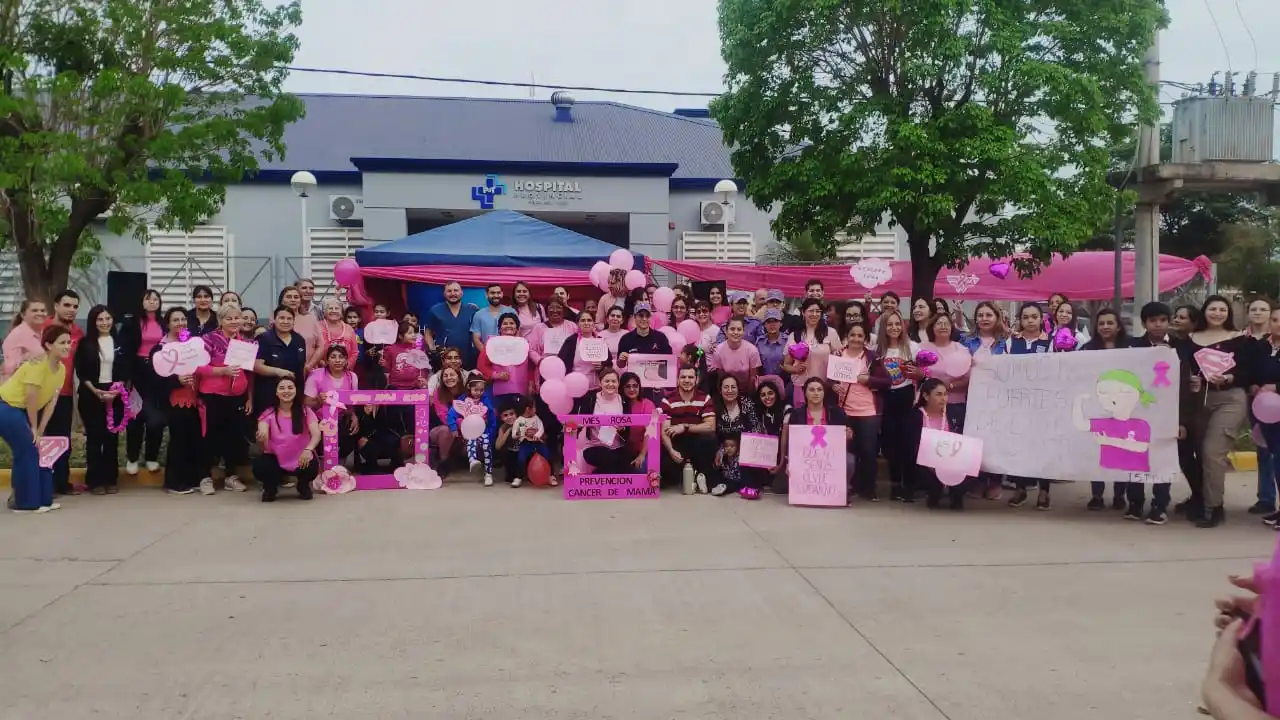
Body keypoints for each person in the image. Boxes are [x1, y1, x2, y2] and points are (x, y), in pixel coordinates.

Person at [1183, 295, 1253, 528]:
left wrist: (1231, 377)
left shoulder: (1240, 339)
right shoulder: (1191, 339)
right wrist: (1191, 380)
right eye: (1213, 308)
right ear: (1205, 311)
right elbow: (1186, 369)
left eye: (1223, 309)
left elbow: (1249, 372)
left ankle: (1213, 508)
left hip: (1230, 399)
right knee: (1200, 453)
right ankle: (1201, 499)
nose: (1217, 313)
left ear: (1228, 313)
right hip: (1200, 400)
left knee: (1213, 452)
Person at [1128, 301, 1188, 525]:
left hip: (1168, 413)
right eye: (1153, 321)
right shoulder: (1132, 346)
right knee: (1135, 457)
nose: (1158, 325)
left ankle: (1159, 505)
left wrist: (1182, 420)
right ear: (1145, 323)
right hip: (1138, 411)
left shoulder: (1181, 347)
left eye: (1162, 320)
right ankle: (1134, 502)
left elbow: (1184, 387)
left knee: (1162, 458)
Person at [2, 325, 71, 512]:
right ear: (49, 345)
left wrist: (41, 430)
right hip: (7, 407)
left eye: (68, 342)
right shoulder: (37, 365)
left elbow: (51, 402)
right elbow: (31, 398)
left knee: (35, 450)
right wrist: (33, 428)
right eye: (62, 343)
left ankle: (41, 499)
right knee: (28, 451)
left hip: (22, 410)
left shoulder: (61, 369)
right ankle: (25, 504)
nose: (67, 346)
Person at [194, 305, 253, 495]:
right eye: (230, 319)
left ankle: (231, 476)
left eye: (237, 318)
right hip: (213, 396)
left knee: (234, 438)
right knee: (209, 437)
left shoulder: (245, 342)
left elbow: (249, 374)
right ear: (220, 320)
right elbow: (198, 367)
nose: (235, 322)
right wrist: (222, 371)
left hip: (236, 397)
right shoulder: (208, 340)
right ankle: (205, 477)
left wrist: (249, 397)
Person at [75, 305, 130, 495]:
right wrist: (96, 391)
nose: (104, 323)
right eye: (100, 319)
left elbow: (125, 369)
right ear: (93, 322)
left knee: (111, 439)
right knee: (94, 438)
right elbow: (81, 372)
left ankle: (110, 478)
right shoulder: (85, 343)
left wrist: (115, 390)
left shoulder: (119, 341)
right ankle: (94, 481)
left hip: (114, 392)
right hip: (92, 393)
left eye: (107, 319)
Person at [1006, 303, 1054, 510]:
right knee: (1018, 445)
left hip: (1043, 403)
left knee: (1043, 446)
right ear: (1020, 320)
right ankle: (1020, 488)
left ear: (1041, 319)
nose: (1030, 321)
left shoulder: (1051, 343)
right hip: (1017, 402)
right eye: (1026, 317)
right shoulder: (1011, 342)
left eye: (1034, 316)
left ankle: (1044, 490)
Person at [151, 308, 204, 494]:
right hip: (174, 399)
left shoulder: (192, 345)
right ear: (168, 324)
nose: (180, 323)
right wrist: (176, 380)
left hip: (194, 398)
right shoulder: (161, 348)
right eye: (175, 320)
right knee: (178, 441)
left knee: (192, 439)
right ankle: (174, 482)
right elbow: (155, 378)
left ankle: (191, 479)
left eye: (183, 319)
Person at [833, 324, 887, 501]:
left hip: (868, 411)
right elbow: (828, 380)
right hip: (844, 410)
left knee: (869, 451)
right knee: (848, 450)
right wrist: (832, 385)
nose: (856, 339)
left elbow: (887, 381)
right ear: (846, 337)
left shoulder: (872, 357)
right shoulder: (838, 355)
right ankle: (850, 486)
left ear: (865, 339)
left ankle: (869, 489)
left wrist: (868, 379)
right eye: (852, 335)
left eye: (860, 335)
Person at [783, 377, 856, 502]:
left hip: (830, 455)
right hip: (806, 455)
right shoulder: (797, 414)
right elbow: (793, 441)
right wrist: (790, 461)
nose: (816, 393)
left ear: (824, 393)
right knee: (780, 487)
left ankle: (842, 490)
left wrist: (849, 435)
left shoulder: (836, 412)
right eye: (811, 390)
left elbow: (846, 435)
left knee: (849, 460)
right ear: (805, 393)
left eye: (819, 389)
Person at [874, 310, 922, 501]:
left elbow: (923, 373)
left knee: (909, 445)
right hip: (887, 398)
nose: (894, 328)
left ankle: (909, 485)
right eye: (890, 324)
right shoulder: (877, 349)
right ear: (884, 328)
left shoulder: (913, 347)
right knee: (890, 444)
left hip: (907, 396)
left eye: (897, 324)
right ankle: (895, 484)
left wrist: (919, 373)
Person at [253, 377, 320, 502]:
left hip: (301, 457)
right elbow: (263, 436)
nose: (286, 391)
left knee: (311, 465)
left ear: (296, 390)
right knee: (261, 465)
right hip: (275, 458)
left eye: (290, 387)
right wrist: (261, 439)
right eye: (282, 388)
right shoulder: (268, 413)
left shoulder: (305, 411)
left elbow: (316, 434)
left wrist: (309, 449)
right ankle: (270, 487)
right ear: (276, 392)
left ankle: (303, 485)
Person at [43, 289, 83, 496]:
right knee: (42, 439)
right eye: (67, 305)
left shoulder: (77, 332)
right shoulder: (43, 328)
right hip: (42, 394)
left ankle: (61, 482)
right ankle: (42, 483)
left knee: (62, 440)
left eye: (75, 306)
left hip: (65, 393)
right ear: (56, 305)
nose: (71, 310)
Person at [908, 378, 965, 510]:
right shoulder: (916, 416)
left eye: (945, 394)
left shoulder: (953, 414)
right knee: (931, 481)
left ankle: (956, 495)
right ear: (926, 396)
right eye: (938, 395)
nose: (943, 398)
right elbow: (912, 444)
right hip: (926, 461)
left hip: (951, 458)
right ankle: (933, 492)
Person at [660, 365, 718, 492]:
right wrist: (671, 451)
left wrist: (684, 427)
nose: (687, 380)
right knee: (668, 475)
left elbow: (710, 426)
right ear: (677, 380)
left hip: (697, 443)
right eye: (683, 377)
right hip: (677, 445)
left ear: (696, 380)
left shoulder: (705, 398)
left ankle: (701, 475)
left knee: (709, 439)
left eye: (691, 377)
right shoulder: (668, 400)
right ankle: (687, 477)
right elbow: (664, 430)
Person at [573, 367, 641, 475]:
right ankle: (594, 480)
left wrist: (622, 428)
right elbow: (580, 421)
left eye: (614, 381)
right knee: (611, 461)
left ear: (618, 384)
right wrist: (572, 427)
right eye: (607, 381)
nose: (610, 384)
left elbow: (626, 428)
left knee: (628, 469)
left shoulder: (623, 401)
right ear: (600, 383)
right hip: (594, 446)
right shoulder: (590, 399)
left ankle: (598, 477)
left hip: (617, 446)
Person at [1246, 299, 1277, 516]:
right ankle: (1266, 499)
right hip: (1260, 406)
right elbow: (1248, 370)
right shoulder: (1260, 347)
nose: (1278, 324)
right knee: (1265, 451)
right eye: (1276, 320)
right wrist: (1252, 385)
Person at [710, 374, 764, 497]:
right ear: (720, 390)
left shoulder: (746, 403)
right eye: (726, 387)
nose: (730, 391)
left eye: (733, 387)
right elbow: (712, 431)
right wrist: (721, 449)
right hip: (723, 449)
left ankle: (740, 486)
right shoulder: (714, 405)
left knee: (745, 460)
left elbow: (756, 428)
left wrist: (742, 448)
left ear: (738, 389)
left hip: (745, 448)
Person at [782, 298, 843, 406]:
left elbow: (839, 360)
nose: (814, 314)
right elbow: (786, 364)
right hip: (801, 386)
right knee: (802, 419)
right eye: (811, 311)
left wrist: (834, 382)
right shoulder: (794, 336)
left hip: (825, 387)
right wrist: (795, 369)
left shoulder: (830, 333)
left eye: (818, 311)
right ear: (803, 312)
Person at [305, 345, 359, 466]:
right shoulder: (316, 375)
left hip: (341, 417)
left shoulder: (352, 377)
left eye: (341, 357)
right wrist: (318, 400)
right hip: (318, 419)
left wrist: (354, 416)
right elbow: (307, 402)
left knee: (352, 431)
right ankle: (321, 463)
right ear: (327, 360)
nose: (338, 360)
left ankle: (341, 464)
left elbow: (352, 402)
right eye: (333, 357)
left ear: (346, 360)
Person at [254, 306, 309, 419]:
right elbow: (257, 366)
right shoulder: (264, 338)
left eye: (289, 319)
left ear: (293, 321)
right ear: (274, 320)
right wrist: (279, 372)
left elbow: (302, 368)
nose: (285, 321)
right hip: (268, 394)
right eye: (282, 318)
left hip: (293, 395)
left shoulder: (299, 340)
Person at [449, 376, 497, 486]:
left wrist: (490, 433)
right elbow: (451, 414)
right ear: (469, 388)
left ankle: (488, 474)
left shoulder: (486, 401)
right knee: (471, 440)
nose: (478, 393)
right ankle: (472, 460)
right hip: (468, 431)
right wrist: (453, 428)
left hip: (483, 431)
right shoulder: (462, 400)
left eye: (481, 390)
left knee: (486, 446)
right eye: (476, 390)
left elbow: (492, 419)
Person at [478, 313, 534, 402]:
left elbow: (530, 366)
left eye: (511, 323)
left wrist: (531, 383)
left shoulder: (524, 344)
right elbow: (482, 365)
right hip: (499, 391)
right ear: (499, 328)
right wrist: (496, 375)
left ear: (517, 328)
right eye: (505, 323)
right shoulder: (492, 344)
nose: (508, 326)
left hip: (521, 390)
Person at [423, 281, 477, 366]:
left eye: (456, 290)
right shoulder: (435, 310)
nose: (453, 293)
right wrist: (432, 350)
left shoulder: (472, 310)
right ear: (444, 294)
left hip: (468, 357)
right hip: (444, 358)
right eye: (449, 291)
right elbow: (428, 332)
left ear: (461, 293)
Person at [557, 309, 611, 393]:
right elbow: (561, 363)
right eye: (583, 320)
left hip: (596, 388)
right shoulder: (571, 341)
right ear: (578, 323)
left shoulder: (600, 341)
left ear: (593, 323)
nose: (586, 323)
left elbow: (609, 362)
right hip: (575, 388)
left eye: (589, 320)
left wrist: (601, 365)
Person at [504, 396, 550, 488]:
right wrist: (519, 433)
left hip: (537, 442)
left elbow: (541, 428)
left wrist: (537, 435)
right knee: (521, 459)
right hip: (525, 443)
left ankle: (551, 476)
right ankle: (518, 477)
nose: (535, 409)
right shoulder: (519, 421)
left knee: (547, 455)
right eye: (534, 407)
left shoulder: (536, 418)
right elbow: (514, 435)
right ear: (527, 409)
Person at [708, 317, 762, 391]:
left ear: (743, 332)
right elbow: (720, 378)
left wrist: (748, 395)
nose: (736, 332)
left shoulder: (752, 350)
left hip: (746, 391)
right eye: (732, 329)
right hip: (727, 391)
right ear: (726, 332)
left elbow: (753, 379)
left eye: (739, 329)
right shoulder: (718, 350)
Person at [754, 378, 789, 493]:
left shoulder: (787, 409)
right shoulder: (763, 413)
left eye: (770, 393)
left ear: (776, 393)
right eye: (763, 395)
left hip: (787, 455)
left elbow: (785, 440)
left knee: (777, 488)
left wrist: (780, 464)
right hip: (772, 455)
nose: (767, 397)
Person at [429, 366, 465, 473]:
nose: (449, 378)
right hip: (439, 430)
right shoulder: (438, 393)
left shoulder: (466, 392)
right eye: (445, 375)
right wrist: (463, 423)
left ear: (458, 377)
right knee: (446, 429)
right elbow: (444, 417)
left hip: (463, 430)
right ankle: (443, 462)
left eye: (452, 375)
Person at [616, 302, 673, 370]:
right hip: (634, 378)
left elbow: (670, 361)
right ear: (634, 317)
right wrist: (621, 359)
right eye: (641, 315)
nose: (644, 319)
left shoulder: (661, 338)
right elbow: (620, 365)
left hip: (656, 378)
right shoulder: (626, 339)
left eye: (647, 316)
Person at [307, 297, 358, 372]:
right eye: (330, 308)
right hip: (322, 370)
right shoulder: (316, 327)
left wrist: (346, 365)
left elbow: (355, 352)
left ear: (341, 312)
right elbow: (311, 349)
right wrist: (322, 364)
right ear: (324, 312)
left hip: (345, 371)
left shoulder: (349, 328)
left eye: (337, 308)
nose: (334, 311)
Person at [2, 299, 48, 380]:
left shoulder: (44, 332)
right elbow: (8, 368)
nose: (40, 313)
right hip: (18, 388)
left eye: (43, 310)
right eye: (35, 310)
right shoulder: (17, 335)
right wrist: (24, 359)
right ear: (23, 315)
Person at [471, 283, 515, 360]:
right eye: (492, 293)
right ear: (486, 295)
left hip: (508, 356)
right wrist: (487, 354)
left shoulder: (511, 311)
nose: (496, 295)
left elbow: (517, 333)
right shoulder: (479, 314)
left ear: (502, 294)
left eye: (498, 293)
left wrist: (509, 353)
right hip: (486, 357)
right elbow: (476, 339)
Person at [279, 285, 318, 351]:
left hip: (312, 360)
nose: (293, 300)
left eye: (296, 297)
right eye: (289, 297)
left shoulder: (311, 318)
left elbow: (320, 346)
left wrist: (311, 362)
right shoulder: (277, 319)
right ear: (282, 300)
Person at [754, 309, 789, 382]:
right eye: (769, 322)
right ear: (764, 325)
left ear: (781, 323)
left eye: (775, 321)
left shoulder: (788, 341)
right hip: (764, 383)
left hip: (784, 382)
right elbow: (756, 366)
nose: (772, 324)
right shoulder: (759, 342)